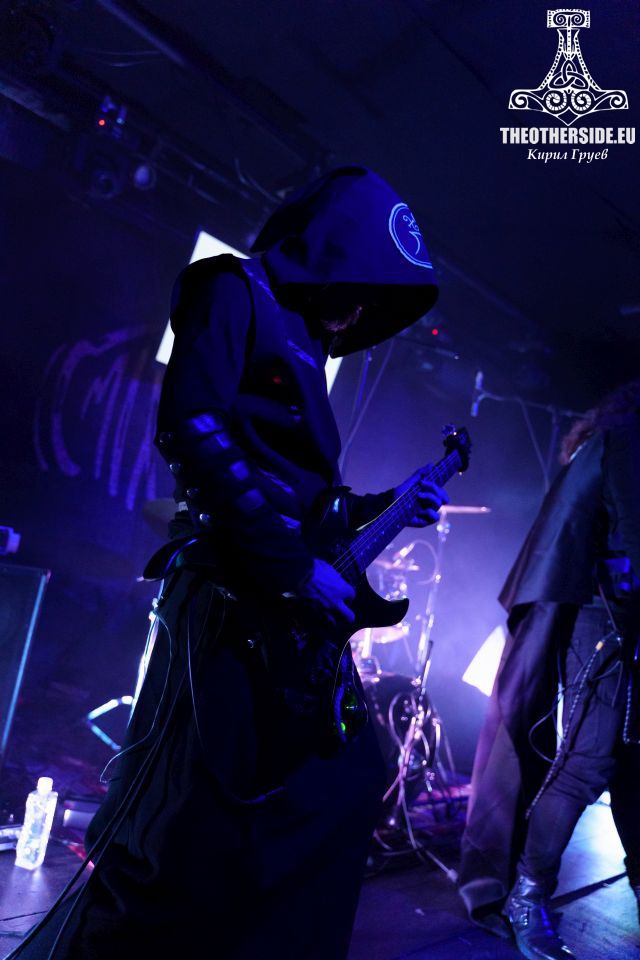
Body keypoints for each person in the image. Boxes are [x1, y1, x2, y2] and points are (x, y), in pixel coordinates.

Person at [11, 166, 451, 959]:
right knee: (183, 826)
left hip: (279, 612)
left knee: (333, 792)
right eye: (361, 289)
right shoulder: (230, 289)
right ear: (329, 253)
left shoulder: (305, 344)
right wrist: (292, 569)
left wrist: (386, 505)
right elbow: (192, 425)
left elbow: (307, 497)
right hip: (230, 599)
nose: (361, 315)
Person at [458, 380, 640, 960]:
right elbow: (630, 539)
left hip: (622, 617)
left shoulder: (617, 438)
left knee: (634, 765)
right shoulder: (625, 439)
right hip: (603, 618)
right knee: (588, 762)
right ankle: (526, 896)